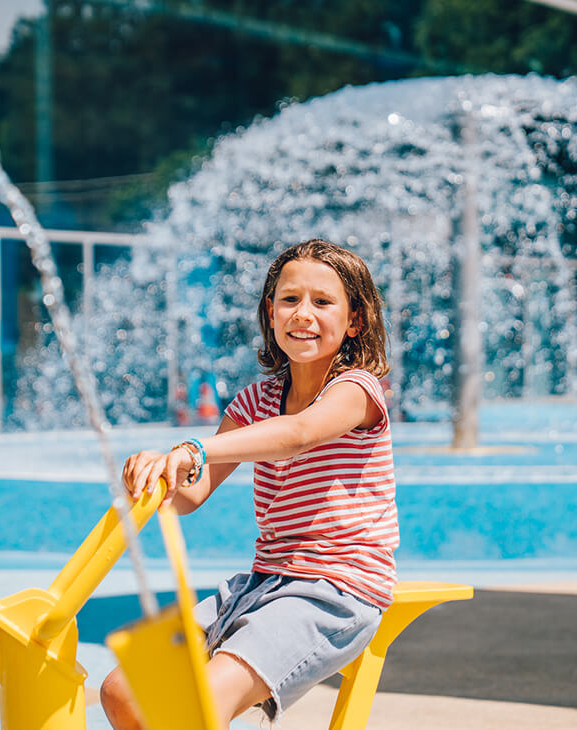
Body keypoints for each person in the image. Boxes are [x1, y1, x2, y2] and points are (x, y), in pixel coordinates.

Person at [99, 239, 398, 729]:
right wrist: (155, 475)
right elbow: (192, 495)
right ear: (270, 311)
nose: (303, 313)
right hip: (262, 583)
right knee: (124, 691)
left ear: (354, 321)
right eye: (290, 299)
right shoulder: (256, 400)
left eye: (323, 302)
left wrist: (194, 449)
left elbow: (297, 436)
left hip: (335, 590)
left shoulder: (355, 390)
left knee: (194, 709)